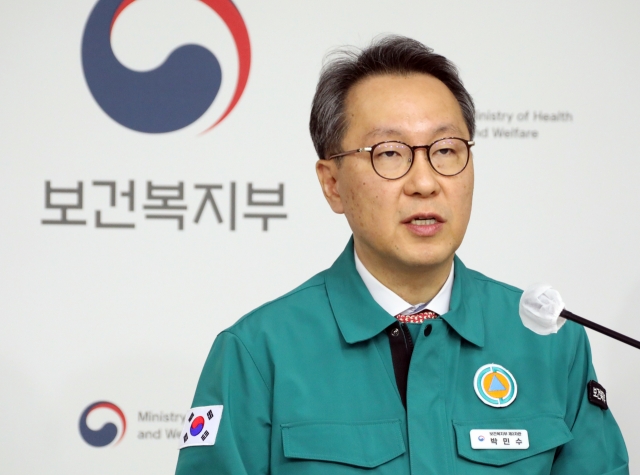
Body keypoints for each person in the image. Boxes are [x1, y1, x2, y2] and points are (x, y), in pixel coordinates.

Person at [174, 35, 629, 474]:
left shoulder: (549, 342)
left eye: (446, 150)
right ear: (332, 184)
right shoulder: (258, 353)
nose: (425, 182)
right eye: (390, 154)